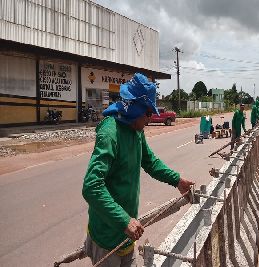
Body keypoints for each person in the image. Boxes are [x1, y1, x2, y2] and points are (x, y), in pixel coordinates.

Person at [82, 73, 194, 267]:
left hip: (127, 234)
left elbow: (150, 162)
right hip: (107, 238)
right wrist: (124, 220)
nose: (150, 119)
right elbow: (91, 187)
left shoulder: (136, 130)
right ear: (134, 110)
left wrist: (177, 180)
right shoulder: (110, 133)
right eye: (148, 113)